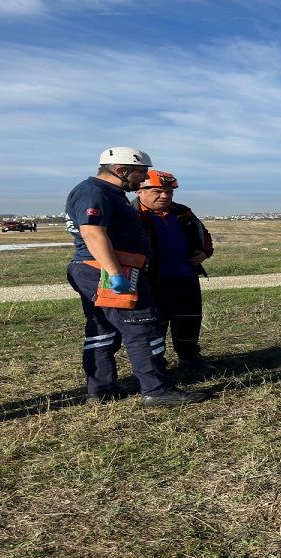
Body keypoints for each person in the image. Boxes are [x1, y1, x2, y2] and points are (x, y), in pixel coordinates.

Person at [63, 147, 207, 407]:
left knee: (104, 331)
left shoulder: (107, 193)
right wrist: (115, 274)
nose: (142, 179)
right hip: (108, 270)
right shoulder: (94, 192)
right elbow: (93, 233)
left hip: (103, 268)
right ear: (120, 170)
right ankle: (157, 390)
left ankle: (102, 388)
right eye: (140, 173)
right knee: (143, 328)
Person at [131, 170, 215, 370]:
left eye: (169, 192)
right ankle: (156, 365)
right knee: (154, 324)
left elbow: (204, 236)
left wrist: (204, 253)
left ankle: (189, 358)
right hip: (151, 281)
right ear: (139, 191)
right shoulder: (131, 215)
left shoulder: (183, 212)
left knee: (189, 320)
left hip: (185, 277)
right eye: (158, 191)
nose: (165, 196)